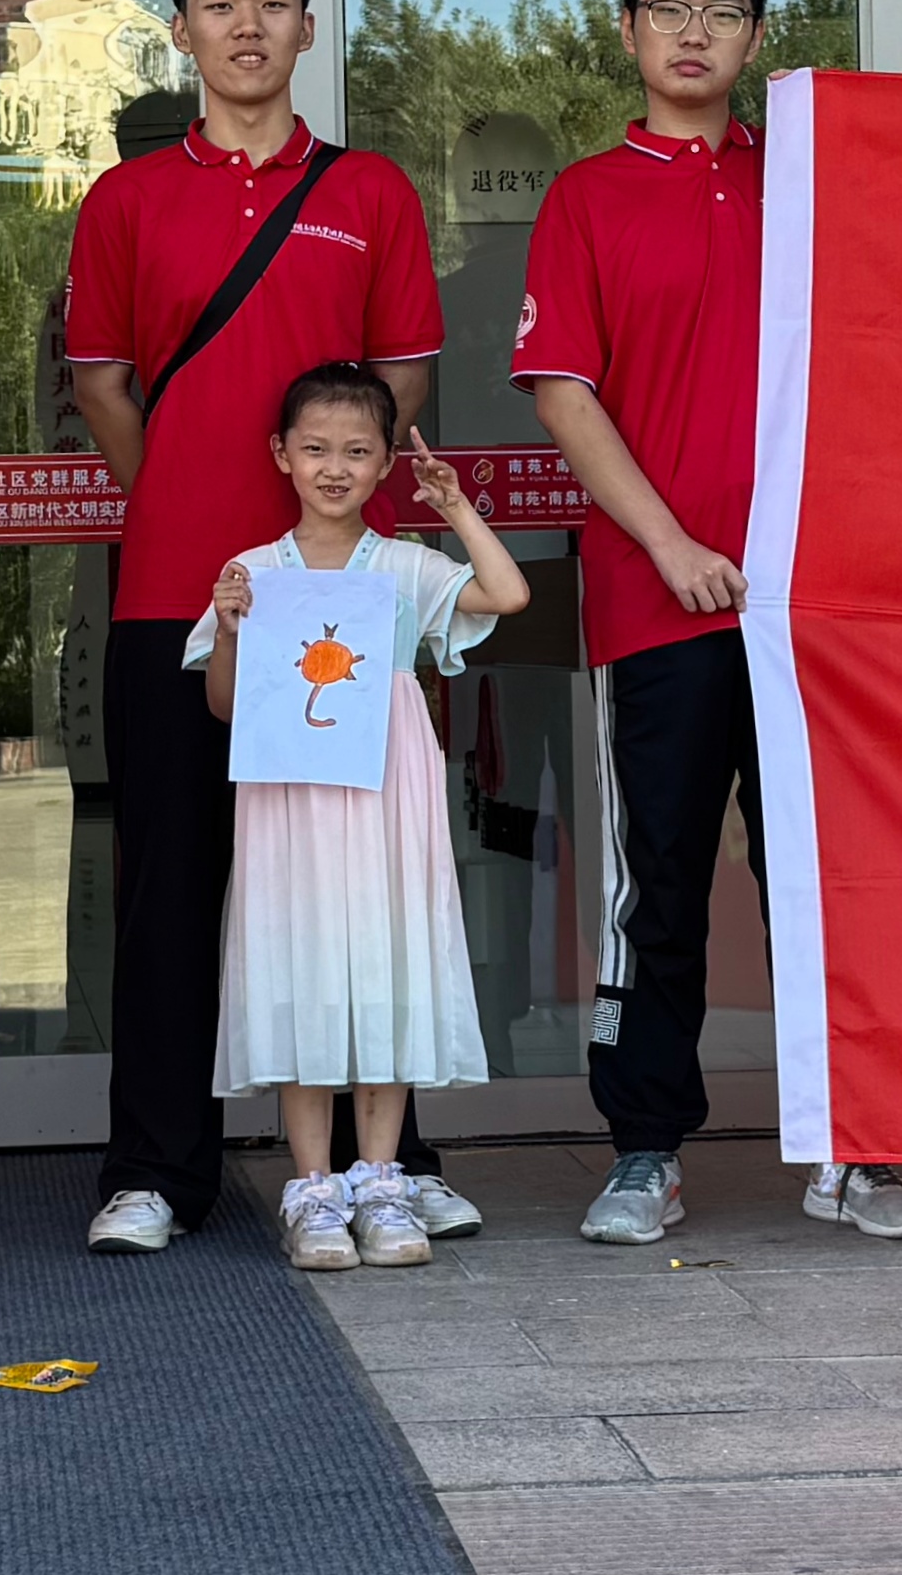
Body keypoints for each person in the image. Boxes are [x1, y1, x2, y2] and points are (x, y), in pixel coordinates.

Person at [517, 0, 902, 1249]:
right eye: (667, 7)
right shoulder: (587, 197)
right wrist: (669, 544)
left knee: (829, 878)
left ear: (757, 37)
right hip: (657, 599)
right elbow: (564, 394)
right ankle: (644, 1148)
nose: (692, 31)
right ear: (626, 27)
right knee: (655, 885)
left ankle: (853, 1146)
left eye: (720, 11)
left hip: (811, 608)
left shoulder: (809, 186)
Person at [61, 0, 481, 1254]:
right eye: (218, 2)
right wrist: (184, 494)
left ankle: (386, 1163)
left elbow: (400, 380)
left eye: (272, 0)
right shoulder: (127, 199)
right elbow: (102, 382)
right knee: (170, 886)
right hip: (176, 591)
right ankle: (154, 1168)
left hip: (344, 601)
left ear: (306, 25)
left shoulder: (369, 193)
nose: (247, 24)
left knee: (357, 886)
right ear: (180, 28)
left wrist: (325, 521)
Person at [198, 373, 530, 1271]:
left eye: (356, 451)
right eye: (315, 448)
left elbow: (505, 594)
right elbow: (223, 705)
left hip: (386, 794)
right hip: (291, 801)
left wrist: (452, 506)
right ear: (281, 455)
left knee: (384, 965)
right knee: (301, 965)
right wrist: (227, 629)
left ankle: (381, 1181)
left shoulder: (403, 566)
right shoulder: (255, 572)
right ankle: (312, 1187)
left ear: (385, 463)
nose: (334, 467)